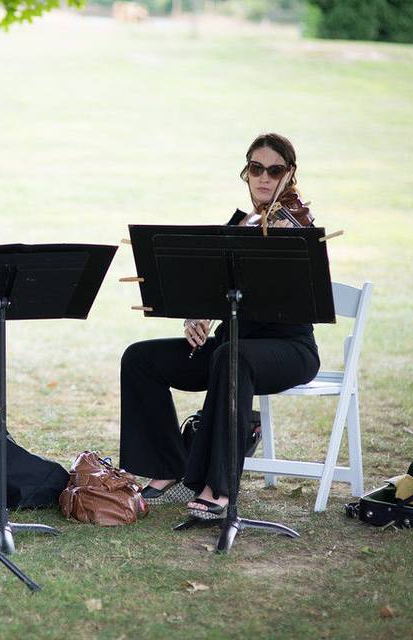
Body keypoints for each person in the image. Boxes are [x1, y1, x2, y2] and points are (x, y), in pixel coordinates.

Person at [118, 133, 320, 520]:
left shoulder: (298, 228)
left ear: (289, 174)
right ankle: (167, 465)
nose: (264, 178)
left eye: (274, 170)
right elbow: (209, 289)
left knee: (231, 355)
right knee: (141, 358)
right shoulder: (238, 225)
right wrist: (197, 315)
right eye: (256, 169)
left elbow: (292, 297)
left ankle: (220, 486)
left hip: (289, 349)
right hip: (231, 349)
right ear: (246, 173)